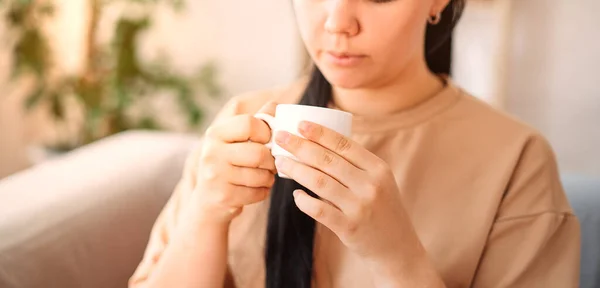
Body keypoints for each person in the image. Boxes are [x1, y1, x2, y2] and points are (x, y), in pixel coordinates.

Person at [129, 0, 581, 287]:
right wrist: (204, 217)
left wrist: (398, 258)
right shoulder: (241, 121)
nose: (337, 20)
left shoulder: (516, 161)